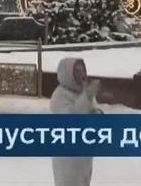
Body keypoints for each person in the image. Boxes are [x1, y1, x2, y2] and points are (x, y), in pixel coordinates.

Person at [50, 57, 102, 186]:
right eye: (77, 71)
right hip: (68, 158)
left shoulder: (83, 93)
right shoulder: (60, 96)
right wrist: (87, 98)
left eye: (83, 70)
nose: (82, 74)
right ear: (67, 73)